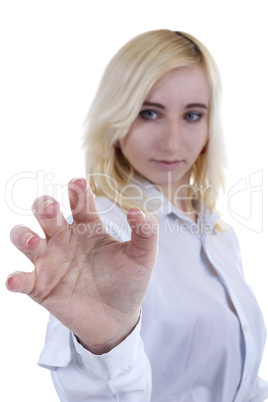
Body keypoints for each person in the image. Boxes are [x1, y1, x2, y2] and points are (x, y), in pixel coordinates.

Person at [6, 29, 268, 401]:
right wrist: (106, 343)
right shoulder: (99, 237)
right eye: (149, 113)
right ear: (116, 118)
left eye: (192, 115)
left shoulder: (219, 232)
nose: (173, 143)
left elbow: (244, 385)